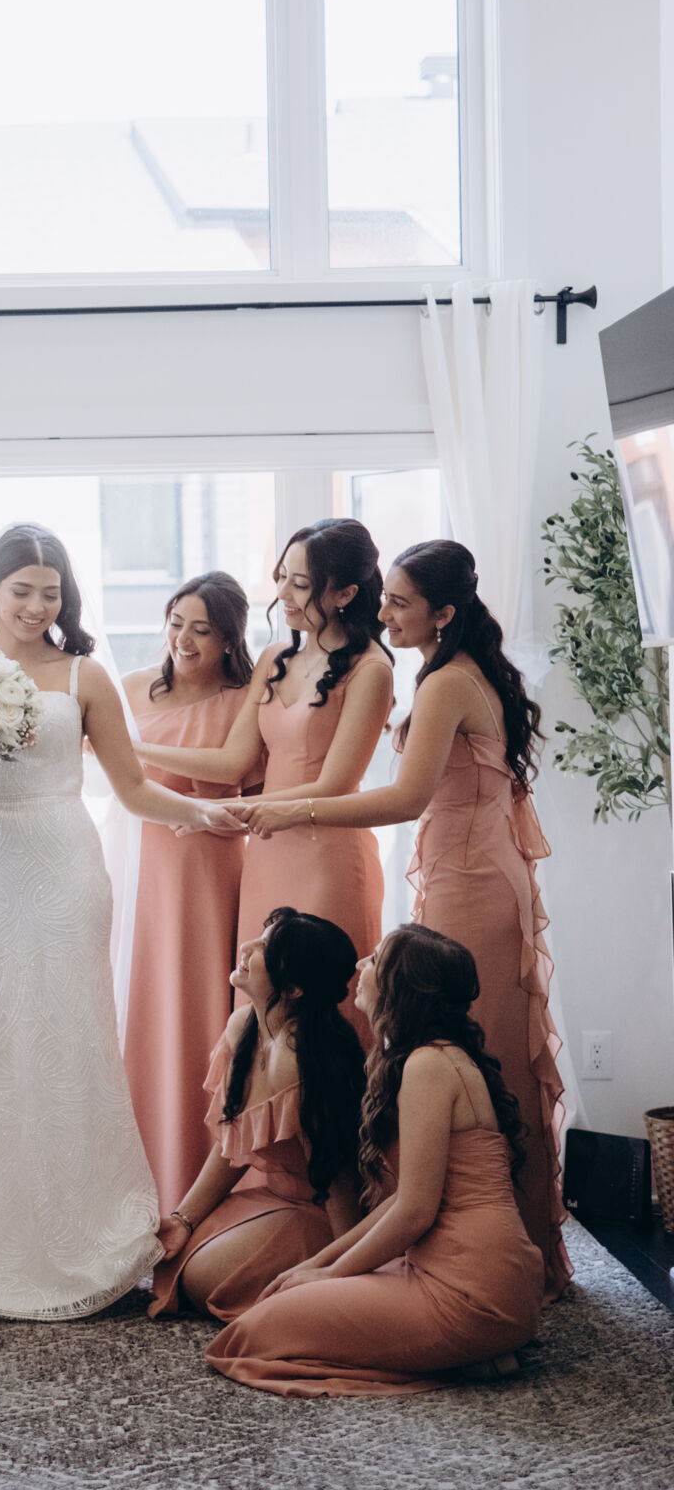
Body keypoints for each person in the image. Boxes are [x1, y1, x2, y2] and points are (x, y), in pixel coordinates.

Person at [0, 522, 250, 1320]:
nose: (36, 606)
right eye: (22, 590)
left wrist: (203, 816)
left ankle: (84, 1235)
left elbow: (134, 788)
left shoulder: (86, 675)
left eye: (50, 593)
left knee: (67, 1042)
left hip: (62, 867)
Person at [239, 539, 568, 1298]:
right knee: (470, 1052)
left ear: (443, 613)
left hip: (472, 883)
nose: (381, 612)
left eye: (398, 603)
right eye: (382, 596)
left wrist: (295, 811)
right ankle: (485, 1236)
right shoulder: (451, 670)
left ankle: (503, 1251)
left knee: (478, 1054)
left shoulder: (449, 682)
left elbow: (406, 799)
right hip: (467, 873)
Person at [205, 924, 543, 1395]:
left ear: (401, 988)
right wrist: (317, 1265)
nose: (360, 966)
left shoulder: (429, 1065)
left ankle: (468, 1353)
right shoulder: (423, 1059)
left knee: (247, 1338)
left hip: (470, 1288)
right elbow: (399, 1202)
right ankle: (472, 1354)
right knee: (281, 1297)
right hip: (476, 1275)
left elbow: (414, 1212)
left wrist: (328, 1274)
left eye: (375, 960)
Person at [138, 520, 394, 1009]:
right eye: (281, 579)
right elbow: (232, 763)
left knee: (318, 1011)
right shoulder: (275, 657)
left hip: (327, 854)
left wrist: (227, 813)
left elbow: (335, 784)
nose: (283, 595)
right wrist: (139, 749)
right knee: (259, 1005)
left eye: (301, 585)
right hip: (266, 854)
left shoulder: (371, 669)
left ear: (345, 594)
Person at [149, 908, 365, 1321]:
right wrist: (184, 1219)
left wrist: (347, 1271)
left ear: (294, 988)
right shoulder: (242, 1026)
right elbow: (234, 1142)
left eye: (266, 947)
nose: (247, 947)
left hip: (325, 1210)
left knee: (200, 1279)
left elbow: (338, 1182)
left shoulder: (303, 1060)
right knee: (169, 1256)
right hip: (276, 1197)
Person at [119, 572, 254, 1212]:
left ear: (229, 638)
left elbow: (246, 779)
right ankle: (142, 1180)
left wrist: (137, 748)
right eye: (176, 623)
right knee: (144, 1006)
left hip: (211, 868)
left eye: (202, 629)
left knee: (203, 1005)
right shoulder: (129, 688)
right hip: (141, 862)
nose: (184, 639)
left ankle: (200, 1183)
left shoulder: (245, 698)